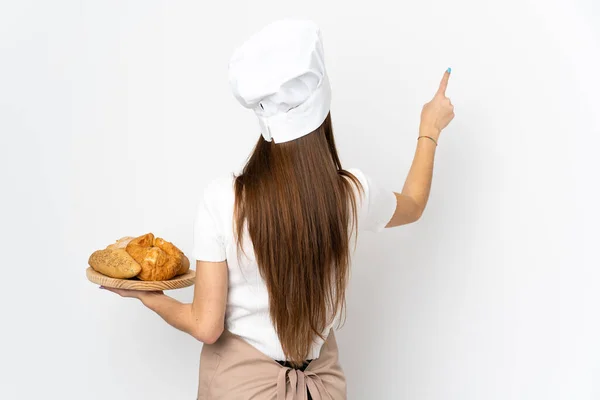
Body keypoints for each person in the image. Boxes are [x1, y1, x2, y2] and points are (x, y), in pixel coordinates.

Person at [101, 18, 454, 400]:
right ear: (323, 111)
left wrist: (148, 295)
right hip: (322, 387)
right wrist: (429, 128)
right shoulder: (352, 194)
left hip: (239, 388)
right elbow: (414, 204)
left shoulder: (223, 199)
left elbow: (207, 326)